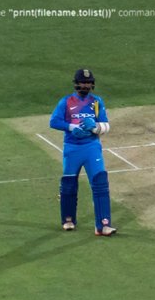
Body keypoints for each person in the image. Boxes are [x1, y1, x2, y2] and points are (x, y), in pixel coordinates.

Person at [49, 68, 117, 235]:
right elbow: (54, 121)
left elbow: (106, 125)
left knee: (100, 183)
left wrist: (94, 127)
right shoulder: (66, 102)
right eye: (82, 82)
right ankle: (68, 220)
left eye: (88, 83)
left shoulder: (96, 102)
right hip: (72, 148)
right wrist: (72, 127)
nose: (85, 85)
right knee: (69, 185)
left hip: (92, 147)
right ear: (76, 84)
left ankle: (103, 225)